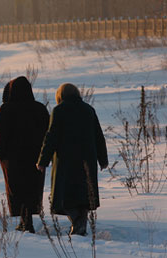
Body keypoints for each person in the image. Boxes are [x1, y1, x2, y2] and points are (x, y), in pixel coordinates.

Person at [36, 83, 108, 236]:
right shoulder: (89, 110)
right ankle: (80, 226)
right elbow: (99, 136)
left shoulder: (59, 111)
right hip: (87, 161)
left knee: (65, 197)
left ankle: (77, 224)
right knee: (84, 196)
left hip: (65, 161)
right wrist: (103, 159)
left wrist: (43, 161)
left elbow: (51, 138)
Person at [0, 76, 50, 233]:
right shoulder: (39, 108)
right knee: (32, 188)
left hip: (13, 159)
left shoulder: (6, 109)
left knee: (18, 190)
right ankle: (27, 221)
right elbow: (48, 132)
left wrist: (0, 153)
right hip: (35, 157)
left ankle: (26, 222)